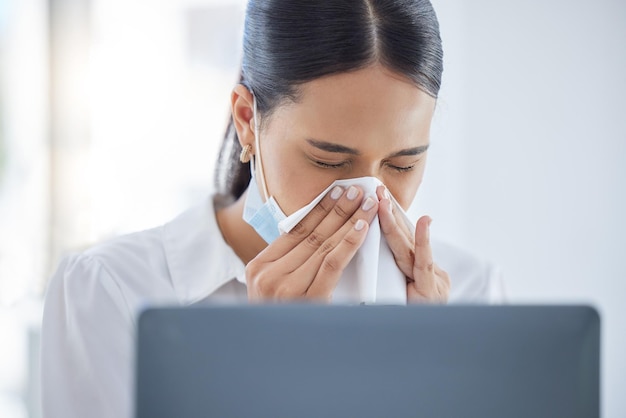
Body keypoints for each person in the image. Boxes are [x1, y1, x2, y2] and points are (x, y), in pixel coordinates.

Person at [41, 0, 504, 417]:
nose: (368, 197)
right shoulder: (113, 291)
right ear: (248, 120)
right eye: (328, 160)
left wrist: (430, 374)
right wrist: (271, 362)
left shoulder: (470, 293)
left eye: (403, 164)